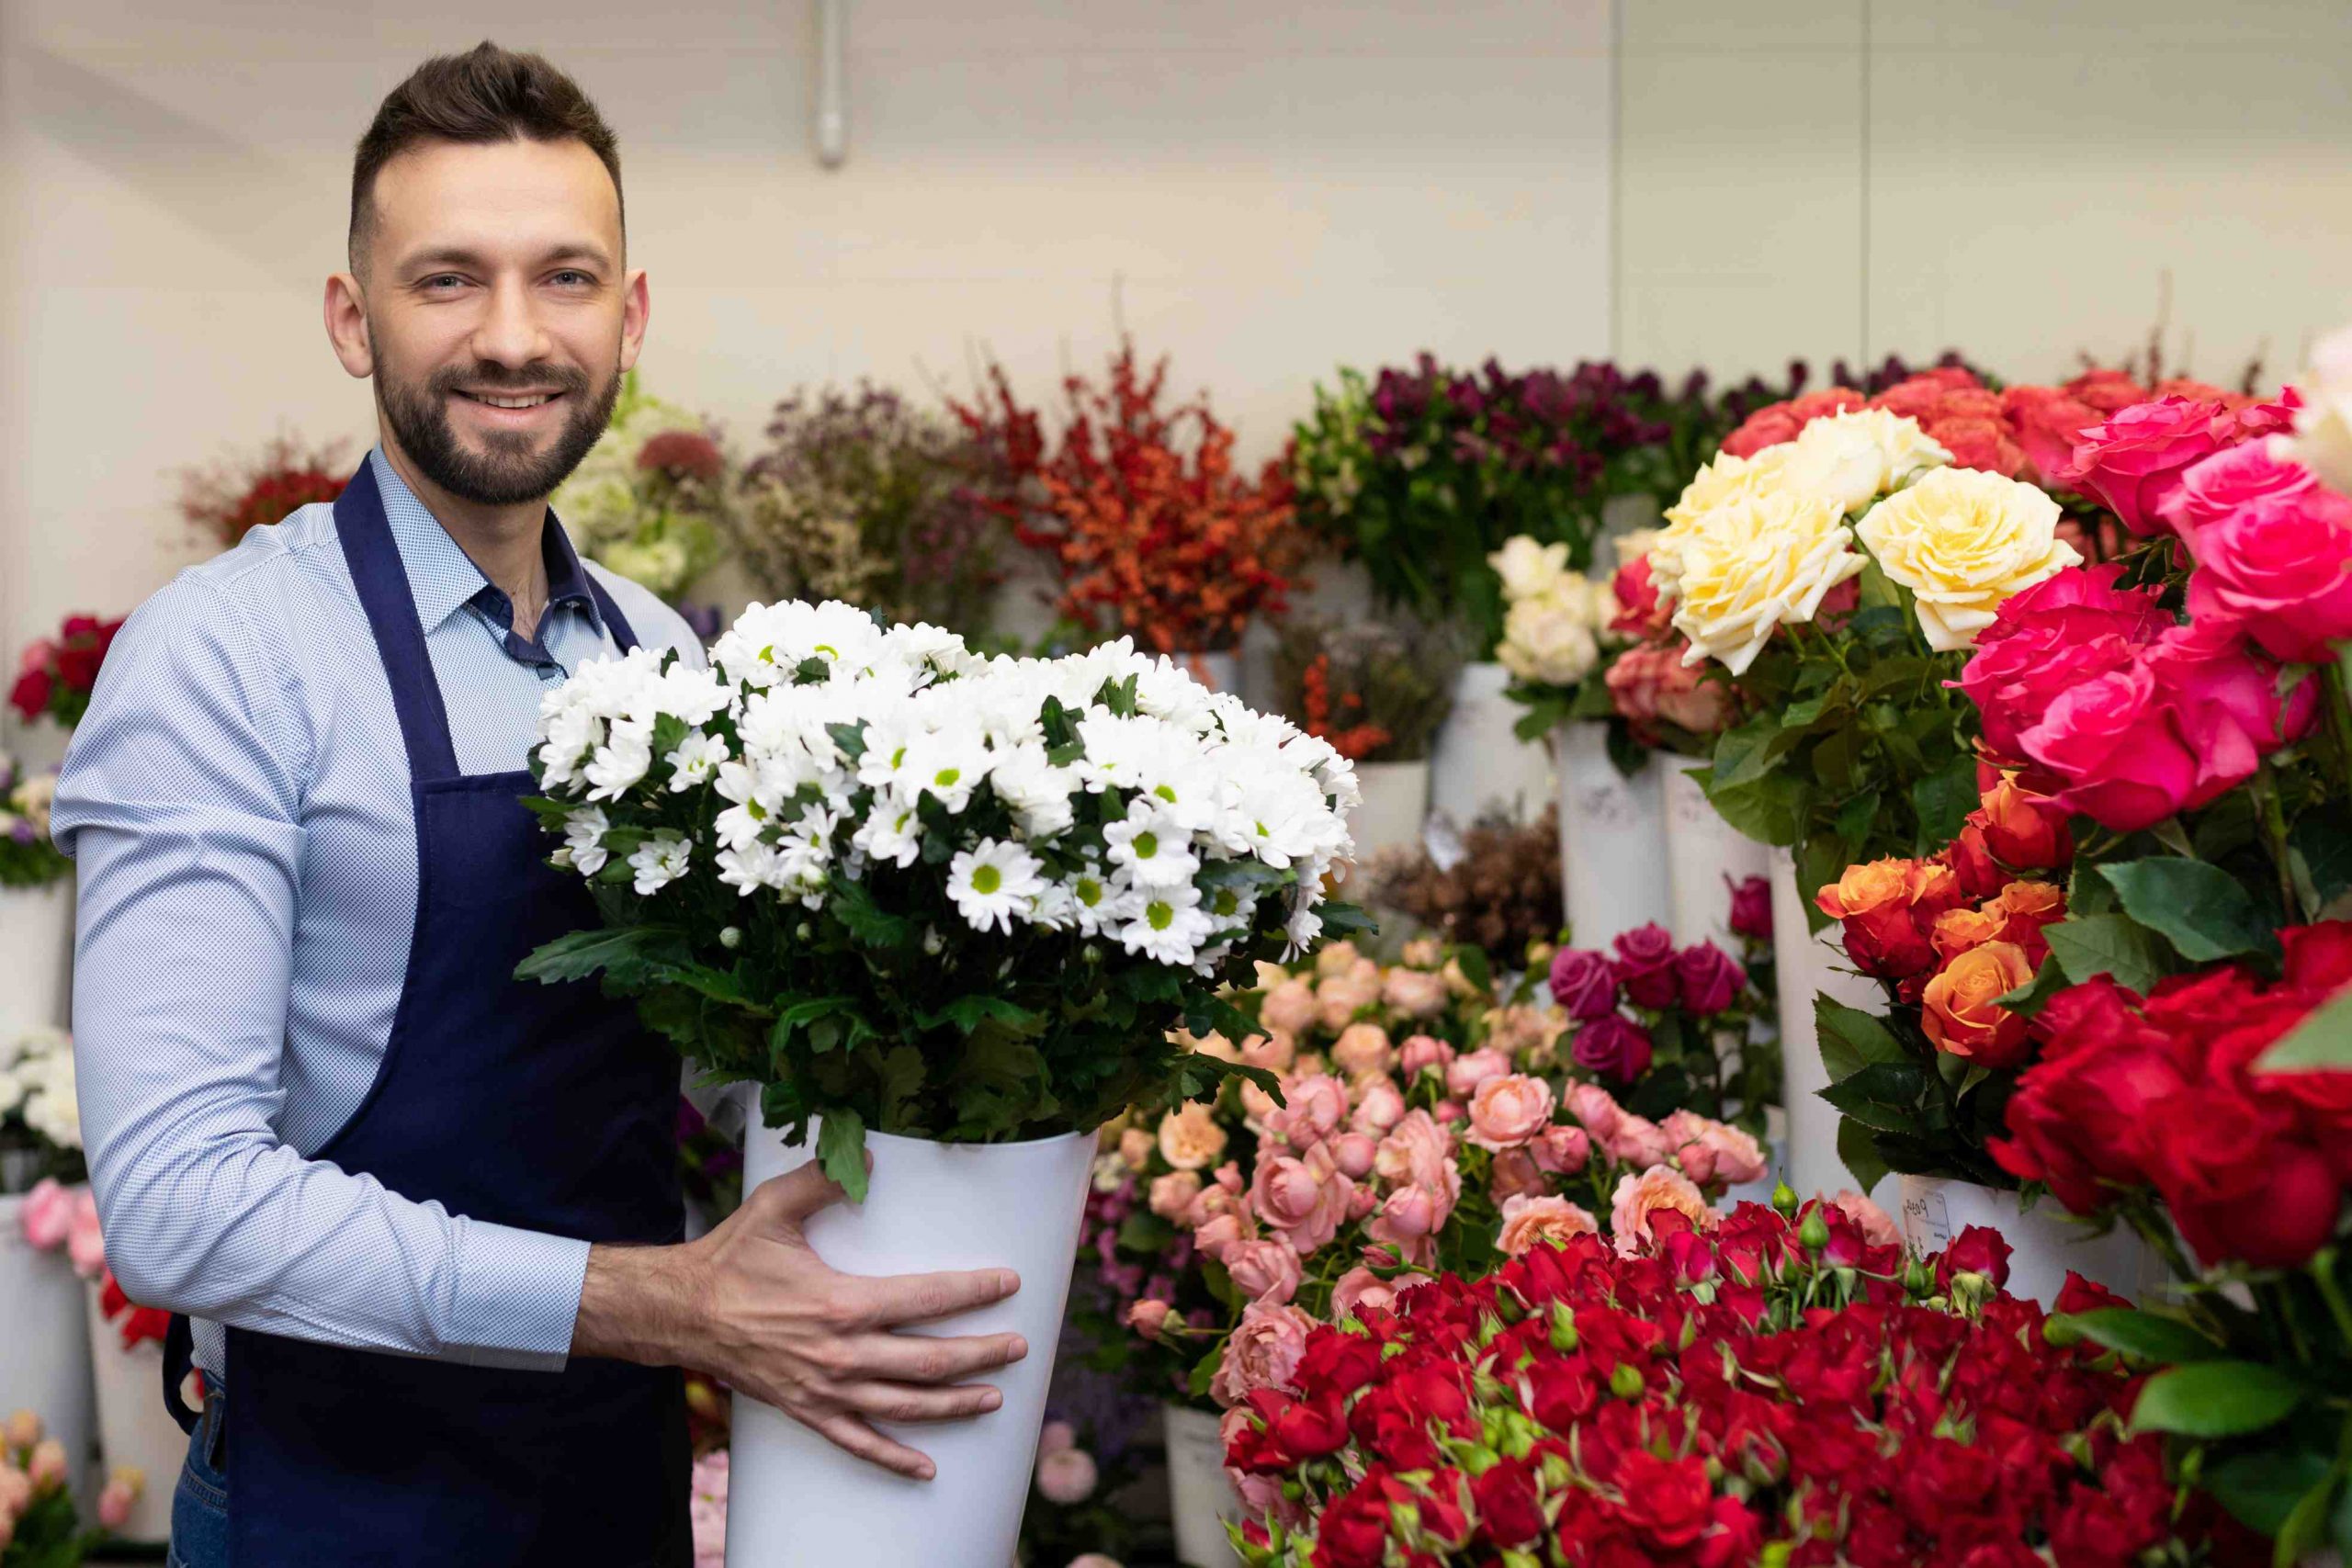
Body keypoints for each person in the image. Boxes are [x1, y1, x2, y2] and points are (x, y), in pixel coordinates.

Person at [51, 42, 1024, 1568]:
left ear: (627, 317)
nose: (514, 336)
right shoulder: (227, 659)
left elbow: (682, 1063)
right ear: (349, 317)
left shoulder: (654, 646)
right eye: (447, 279)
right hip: (333, 1506)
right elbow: (177, 1206)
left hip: (609, 1489)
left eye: (563, 278)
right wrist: (655, 1305)